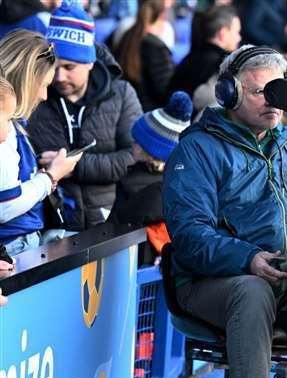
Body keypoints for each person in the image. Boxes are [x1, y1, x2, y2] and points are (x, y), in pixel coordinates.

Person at [163, 45, 287, 378]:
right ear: (228, 93)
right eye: (260, 92)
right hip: (212, 280)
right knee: (252, 288)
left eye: (280, 92)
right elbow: (189, 237)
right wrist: (247, 257)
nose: (273, 102)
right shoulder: (198, 150)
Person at [29, 2, 143, 231]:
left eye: (69, 67)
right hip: (53, 229)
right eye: (54, 67)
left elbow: (136, 158)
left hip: (112, 223)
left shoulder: (121, 94)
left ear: (90, 62)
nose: (59, 77)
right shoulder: (35, 98)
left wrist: (76, 167)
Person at [0, 31, 80, 256]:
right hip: (13, 245)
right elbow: (5, 206)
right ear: (26, 79)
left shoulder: (14, 124)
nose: (45, 95)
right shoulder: (4, 133)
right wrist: (50, 177)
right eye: (43, 84)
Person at [110, 90, 192, 264]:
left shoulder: (135, 186)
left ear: (152, 150)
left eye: (137, 141)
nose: (132, 143)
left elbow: (113, 229)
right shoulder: (185, 184)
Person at [168, 4, 241, 97]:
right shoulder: (220, 65)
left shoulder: (190, 58)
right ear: (223, 33)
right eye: (237, 32)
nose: (239, 38)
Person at [114, 0, 175, 111]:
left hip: (126, 109)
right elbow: (166, 92)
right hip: (150, 115)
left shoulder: (126, 36)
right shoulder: (156, 48)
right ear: (162, 15)